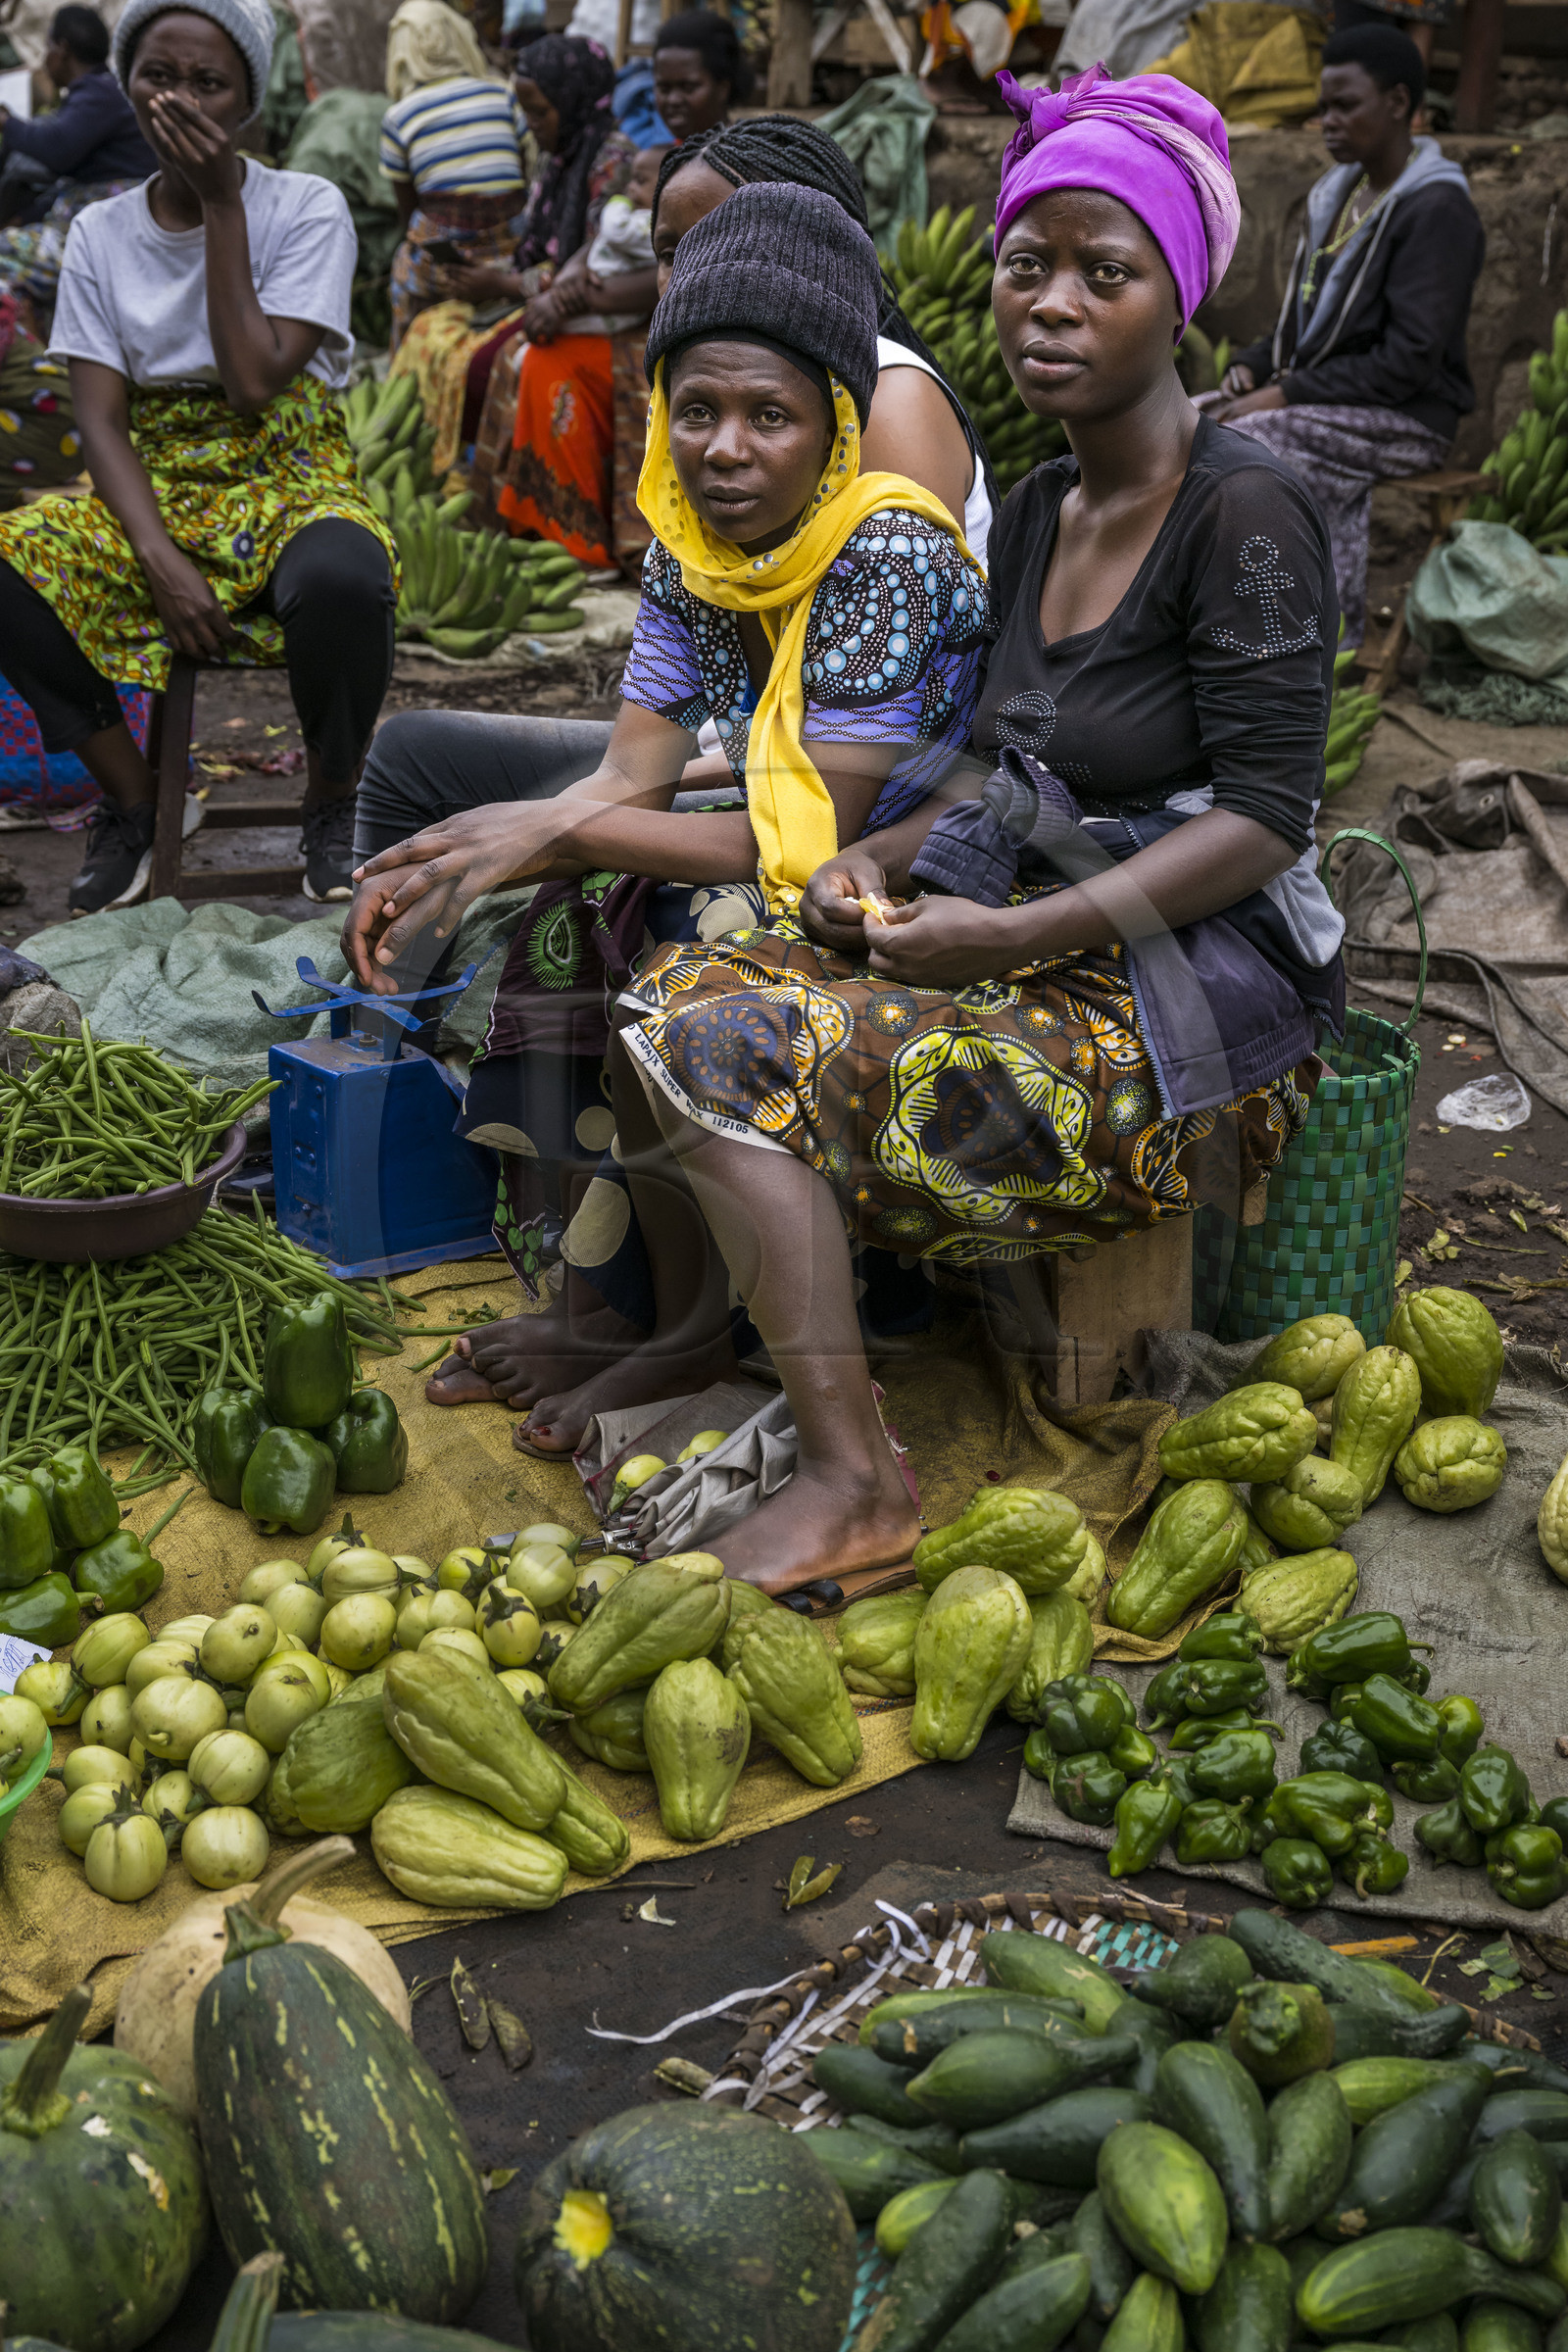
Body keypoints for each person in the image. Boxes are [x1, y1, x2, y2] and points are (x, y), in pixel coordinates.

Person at [496, 66, 1348, 1587]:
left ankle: (856, 1482)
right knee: (673, 996)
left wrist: (1014, 930)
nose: (1052, 305)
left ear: (1183, 298)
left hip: (1196, 1019)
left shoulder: (1245, 513)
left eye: (1108, 272)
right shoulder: (1033, 509)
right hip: (1032, 955)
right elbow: (974, 766)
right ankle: (778, 1390)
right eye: (1029, 267)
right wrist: (870, 867)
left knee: (730, 1045)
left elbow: (1270, 821)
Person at [341, 181, 992, 1429]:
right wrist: (465, 853)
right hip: (778, 822)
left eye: (769, 416)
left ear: (835, 429)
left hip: (904, 863)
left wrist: (552, 828)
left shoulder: (885, 549)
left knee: (689, 933)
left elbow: (802, 842)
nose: (726, 448)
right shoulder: (696, 539)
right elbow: (632, 772)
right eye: (697, 410)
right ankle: (610, 1306)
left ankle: (698, 1330)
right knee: (557, 909)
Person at [0, 0, 396, 915]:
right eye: (159, 76)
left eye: (208, 83)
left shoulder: (305, 207)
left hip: (285, 469)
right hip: (155, 475)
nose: (179, 99)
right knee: (10, 572)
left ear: (246, 103)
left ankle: (334, 798)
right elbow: (100, 419)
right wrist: (159, 558)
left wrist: (221, 202)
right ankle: (135, 802)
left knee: (345, 575)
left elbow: (256, 383)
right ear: (127, 82)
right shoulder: (100, 231)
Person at [1213, 23, 1483, 645]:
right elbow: (1307, 327)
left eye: (1345, 105)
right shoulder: (1339, 195)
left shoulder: (1437, 210)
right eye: (1322, 107)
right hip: (1329, 400)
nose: (1327, 121)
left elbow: (1409, 360)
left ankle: (1321, 637)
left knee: (1249, 437)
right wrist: (1257, 366)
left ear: (1397, 103)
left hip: (1407, 418)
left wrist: (1283, 394)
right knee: (1186, 420)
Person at [654, 118, 996, 566]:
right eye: (669, 254)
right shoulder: (703, 389)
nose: (692, 273)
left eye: (729, 240)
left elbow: (913, 600)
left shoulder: (882, 402)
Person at [389, 33, 642, 510]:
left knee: (480, 365)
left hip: (586, 303)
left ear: (572, 102)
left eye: (540, 112)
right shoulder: (557, 154)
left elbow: (591, 263)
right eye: (525, 112)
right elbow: (537, 245)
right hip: (539, 286)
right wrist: (491, 275)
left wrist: (502, 284)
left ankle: (499, 488)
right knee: (428, 330)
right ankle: (424, 466)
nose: (531, 125)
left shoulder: (614, 161)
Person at [379, 0, 529, 355]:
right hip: (511, 248)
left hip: (446, 265)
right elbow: (519, 178)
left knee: (405, 263)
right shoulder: (502, 93)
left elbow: (409, 210)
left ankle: (404, 361)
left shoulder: (400, 117)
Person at [0, 4, 154, 334]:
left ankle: (30, 366)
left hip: (110, 230)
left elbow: (57, 149)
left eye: (47, 48)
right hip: (98, 221)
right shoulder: (99, 93)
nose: (44, 59)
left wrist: (7, 123)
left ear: (62, 48)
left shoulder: (100, 93)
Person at [650, 8, 748, 146]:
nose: (673, 100)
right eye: (664, 88)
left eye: (688, 88)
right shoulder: (659, 159)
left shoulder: (745, 160)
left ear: (722, 89)